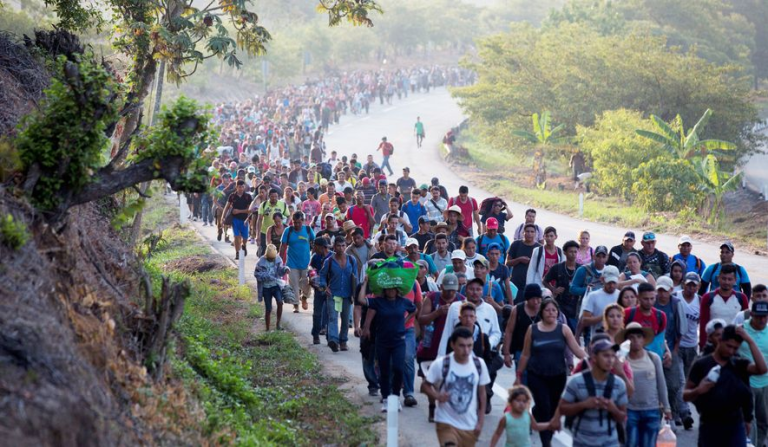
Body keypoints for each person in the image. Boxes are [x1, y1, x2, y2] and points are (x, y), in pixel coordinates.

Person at [516, 299, 586, 447]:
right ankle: (546, 442)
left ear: (558, 312)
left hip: (558, 376)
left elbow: (576, 350)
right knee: (545, 408)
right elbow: (525, 354)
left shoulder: (564, 329)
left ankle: (536, 414)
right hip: (537, 375)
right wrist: (519, 375)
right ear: (541, 312)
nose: (551, 313)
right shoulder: (532, 329)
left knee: (553, 409)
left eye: (554, 310)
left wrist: (593, 361)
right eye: (547, 310)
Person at [684, 325, 768, 447]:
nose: (731, 351)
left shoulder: (739, 364)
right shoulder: (701, 364)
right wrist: (698, 390)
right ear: (720, 340)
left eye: (735, 348)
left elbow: (762, 369)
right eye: (728, 346)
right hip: (710, 426)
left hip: (735, 426)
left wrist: (750, 341)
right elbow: (685, 395)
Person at [422, 326, 491, 447]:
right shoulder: (442, 364)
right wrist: (437, 396)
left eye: (469, 346)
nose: (466, 350)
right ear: (452, 345)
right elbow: (425, 385)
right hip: (445, 421)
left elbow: (482, 394)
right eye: (462, 346)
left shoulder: (479, 364)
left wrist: (480, 421)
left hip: (469, 425)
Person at [558, 338, 628, 447]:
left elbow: (623, 417)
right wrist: (583, 405)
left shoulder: (619, 384)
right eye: (605, 356)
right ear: (594, 358)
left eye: (613, 356)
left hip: (610, 443)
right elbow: (562, 408)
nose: (610, 360)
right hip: (582, 442)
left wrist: (613, 408)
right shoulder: (576, 381)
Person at [359, 281, 417, 412]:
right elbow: (361, 300)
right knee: (384, 371)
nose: (391, 291)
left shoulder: (403, 302)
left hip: (398, 342)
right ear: (384, 290)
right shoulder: (378, 302)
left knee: (398, 369)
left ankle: (395, 397)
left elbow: (414, 310)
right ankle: (386, 399)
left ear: (397, 290)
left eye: (393, 288)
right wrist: (365, 283)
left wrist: (405, 321)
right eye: (388, 288)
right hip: (382, 342)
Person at [417, 274, 465, 422]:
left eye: (453, 290)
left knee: (448, 381)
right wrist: (437, 313)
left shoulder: (462, 301)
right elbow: (421, 319)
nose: (450, 293)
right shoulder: (433, 298)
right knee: (429, 380)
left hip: (450, 349)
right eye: (447, 289)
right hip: (430, 346)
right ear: (441, 287)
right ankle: (432, 406)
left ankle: (447, 409)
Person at [616, 322, 671, 447]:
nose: (635, 340)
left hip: (652, 410)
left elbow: (661, 384)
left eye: (639, 337)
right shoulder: (621, 361)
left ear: (644, 340)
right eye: (631, 337)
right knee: (631, 443)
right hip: (629, 410)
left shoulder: (653, 358)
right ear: (626, 341)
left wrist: (667, 407)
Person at [653, 275, 688, 428]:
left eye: (665, 291)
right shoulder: (652, 302)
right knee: (654, 385)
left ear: (671, 290)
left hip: (671, 349)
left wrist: (674, 351)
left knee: (673, 385)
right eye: (659, 290)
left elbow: (681, 330)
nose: (662, 294)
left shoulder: (676, 304)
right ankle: (657, 415)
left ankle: (673, 413)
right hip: (653, 350)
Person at [317, 236, 358, 352]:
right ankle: (333, 341)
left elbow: (355, 277)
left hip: (347, 295)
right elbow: (322, 275)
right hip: (333, 294)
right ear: (334, 247)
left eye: (343, 246)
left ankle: (343, 341)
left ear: (346, 246)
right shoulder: (329, 261)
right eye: (338, 246)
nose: (341, 248)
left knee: (345, 320)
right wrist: (324, 287)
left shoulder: (351, 260)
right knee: (333, 318)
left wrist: (355, 293)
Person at [738, 301, 768, 447]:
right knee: (750, 420)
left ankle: (761, 444)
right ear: (751, 315)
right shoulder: (740, 331)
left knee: (764, 420)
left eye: (765, 316)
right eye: (758, 316)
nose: (762, 320)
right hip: (746, 384)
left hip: (765, 384)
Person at [698, 264, 749, 349]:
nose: (726, 282)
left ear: (735, 280)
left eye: (730, 279)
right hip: (713, 346)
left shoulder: (742, 298)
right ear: (718, 278)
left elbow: (746, 325)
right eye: (724, 278)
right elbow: (703, 325)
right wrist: (703, 346)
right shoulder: (707, 298)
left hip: (735, 347)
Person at [676, 272, 702, 430]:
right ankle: (685, 413)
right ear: (683, 284)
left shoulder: (700, 301)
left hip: (692, 346)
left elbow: (702, 323)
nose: (691, 288)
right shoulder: (676, 297)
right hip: (677, 345)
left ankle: (678, 409)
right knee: (680, 381)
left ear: (698, 287)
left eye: (694, 285)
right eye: (688, 285)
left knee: (688, 382)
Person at [624, 283, 669, 362]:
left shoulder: (661, 316)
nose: (649, 302)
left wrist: (667, 351)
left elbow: (661, 338)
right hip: (631, 358)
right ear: (638, 297)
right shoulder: (627, 313)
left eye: (652, 298)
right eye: (646, 299)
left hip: (654, 358)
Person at [280, 212, 315, 314]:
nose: (296, 225)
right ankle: (295, 304)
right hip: (292, 263)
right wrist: (280, 261)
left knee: (308, 283)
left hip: (306, 263)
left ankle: (304, 297)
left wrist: (315, 258)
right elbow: (283, 246)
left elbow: (314, 243)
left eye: (299, 222)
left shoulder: (308, 230)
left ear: (303, 221)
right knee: (293, 284)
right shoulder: (288, 230)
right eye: (294, 222)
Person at [502, 284, 543, 370]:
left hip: (540, 351)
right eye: (532, 299)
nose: (536, 302)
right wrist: (506, 353)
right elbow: (509, 331)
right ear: (527, 299)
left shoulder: (544, 309)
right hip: (521, 350)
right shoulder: (517, 309)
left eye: (538, 298)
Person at [544, 240, 580, 333]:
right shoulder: (557, 267)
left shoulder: (581, 269)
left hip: (575, 305)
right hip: (560, 304)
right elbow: (545, 281)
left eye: (575, 252)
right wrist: (553, 289)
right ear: (565, 252)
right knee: (558, 330)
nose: (573, 254)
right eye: (571, 251)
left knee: (573, 332)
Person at [578, 265, 620, 338]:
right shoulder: (593, 296)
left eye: (614, 282)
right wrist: (604, 316)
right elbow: (584, 320)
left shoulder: (621, 295)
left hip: (618, 339)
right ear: (602, 279)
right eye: (609, 282)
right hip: (598, 339)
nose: (612, 285)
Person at [254, 244, 289, 331]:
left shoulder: (278, 259)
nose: (272, 260)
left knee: (280, 302)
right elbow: (257, 274)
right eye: (270, 259)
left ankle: (278, 324)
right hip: (266, 288)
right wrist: (266, 276)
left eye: (273, 258)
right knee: (268, 308)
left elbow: (280, 271)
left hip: (276, 285)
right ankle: (267, 328)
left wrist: (285, 269)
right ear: (266, 256)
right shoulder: (261, 262)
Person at [506, 223, 541, 298]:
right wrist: (519, 259)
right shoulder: (516, 244)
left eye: (532, 232)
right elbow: (507, 263)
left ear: (535, 234)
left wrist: (531, 261)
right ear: (523, 233)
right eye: (527, 231)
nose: (529, 234)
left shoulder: (539, 248)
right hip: (516, 283)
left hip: (532, 284)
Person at [220, 180, 252, 260]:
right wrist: (223, 217)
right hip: (235, 219)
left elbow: (249, 210)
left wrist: (239, 211)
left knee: (245, 237)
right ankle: (237, 253)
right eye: (239, 187)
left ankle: (244, 245)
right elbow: (226, 207)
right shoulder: (232, 196)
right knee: (236, 236)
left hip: (244, 220)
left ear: (244, 187)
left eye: (242, 187)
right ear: (236, 187)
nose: (241, 188)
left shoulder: (248, 196)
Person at [309, 237, 331, 345]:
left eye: (315, 246)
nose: (314, 248)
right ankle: (315, 335)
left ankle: (330, 337)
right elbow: (311, 269)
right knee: (317, 313)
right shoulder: (315, 257)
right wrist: (311, 278)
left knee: (330, 313)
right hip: (319, 289)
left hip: (330, 289)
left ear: (321, 247)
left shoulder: (332, 257)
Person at [255, 188, 288, 257]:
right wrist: (258, 235)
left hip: (279, 232)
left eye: (276, 196)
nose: (274, 198)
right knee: (265, 252)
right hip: (264, 231)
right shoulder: (263, 205)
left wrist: (286, 225)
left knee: (279, 252)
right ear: (269, 196)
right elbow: (259, 219)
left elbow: (288, 215)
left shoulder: (283, 204)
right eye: (272, 196)